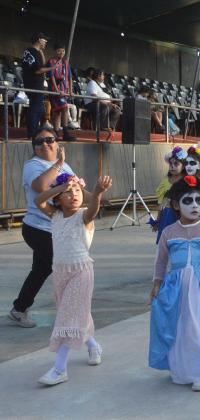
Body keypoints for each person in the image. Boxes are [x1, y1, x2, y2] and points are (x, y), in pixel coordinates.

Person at [149, 175, 200, 392]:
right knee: (181, 327)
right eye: (188, 201)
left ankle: (199, 373)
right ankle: (181, 369)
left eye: (198, 200)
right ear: (176, 204)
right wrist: (157, 284)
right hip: (176, 290)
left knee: (198, 327)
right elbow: (161, 262)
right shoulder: (169, 232)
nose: (194, 205)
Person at [32, 174, 112, 385]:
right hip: (60, 272)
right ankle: (93, 345)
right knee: (76, 314)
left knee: (68, 318)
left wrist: (97, 192)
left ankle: (60, 369)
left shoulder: (84, 216)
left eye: (77, 190)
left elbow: (94, 207)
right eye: (67, 191)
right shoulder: (54, 215)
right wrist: (59, 187)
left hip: (81, 271)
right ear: (57, 198)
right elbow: (37, 201)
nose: (73, 194)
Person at [8, 129, 76, 328]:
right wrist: (58, 164)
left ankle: (19, 309)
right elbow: (40, 186)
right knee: (67, 268)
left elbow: (77, 188)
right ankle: (72, 314)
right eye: (39, 142)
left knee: (41, 269)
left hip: (57, 228)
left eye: (49, 140)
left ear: (57, 143)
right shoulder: (33, 165)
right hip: (38, 228)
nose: (44, 144)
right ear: (34, 147)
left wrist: (97, 195)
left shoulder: (66, 167)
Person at [22, 32, 60, 139]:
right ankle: (32, 133)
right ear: (39, 40)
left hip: (33, 84)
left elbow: (42, 65)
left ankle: (35, 132)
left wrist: (41, 51)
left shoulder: (34, 51)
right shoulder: (32, 51)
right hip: (34, 85)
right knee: (36, 109)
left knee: (39, 109)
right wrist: (53, 68)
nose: (46, 42)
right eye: (44, 40)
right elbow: (38, 70)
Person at [46, 43, 76, 141]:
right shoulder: (51, 61)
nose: (61, 53)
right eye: (59, 50)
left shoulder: (66, 62)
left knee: (58, 112)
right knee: (64, 108)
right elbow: (52, 77)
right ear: (55, 51)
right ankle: (65, 133)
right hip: (54, 91)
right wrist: (57, 90)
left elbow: (70, 78)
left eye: (63, 51)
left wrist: (70, 91)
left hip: (64, 91)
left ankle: (56, 132)